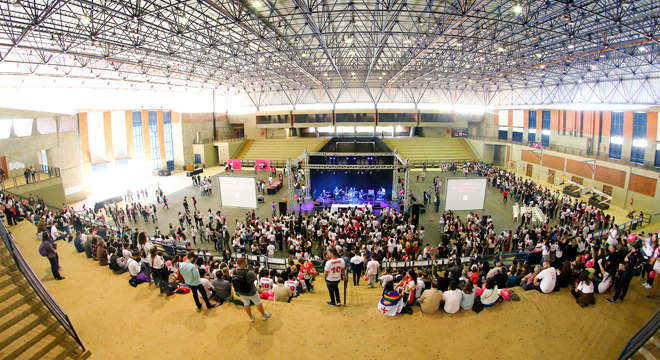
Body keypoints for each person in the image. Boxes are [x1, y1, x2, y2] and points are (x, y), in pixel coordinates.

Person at [231, 258, 272, 322]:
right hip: (251, 292)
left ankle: (251, 317)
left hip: (240, 291)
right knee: (258, 303)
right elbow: (255, 278)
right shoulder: (249, 273)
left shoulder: (234, 270)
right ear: (245, 264)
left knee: (246, 304)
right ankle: (264, 315)